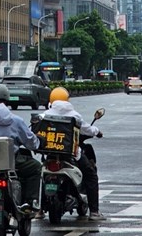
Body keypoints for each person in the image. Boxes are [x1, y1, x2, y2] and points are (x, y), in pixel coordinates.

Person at [42, 86, 106, 222]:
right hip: (71, 154)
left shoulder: (45, 115)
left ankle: (39, 210)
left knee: (40, 176)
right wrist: (97, 131)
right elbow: (87, 129)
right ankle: (94, 212)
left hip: (51, 153)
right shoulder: (74, 115)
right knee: (91, 175)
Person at [0, 82, 42, 211]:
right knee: (36, 167)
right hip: (12, 163)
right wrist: (38, 143)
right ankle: (30, 202)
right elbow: (30, 142)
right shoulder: (16, 120)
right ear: (7, 98)